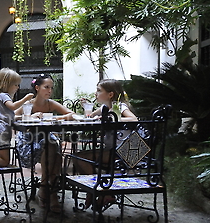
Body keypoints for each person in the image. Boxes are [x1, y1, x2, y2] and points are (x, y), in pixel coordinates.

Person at [15, 74, 74, 212]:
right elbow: (11, 116)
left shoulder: (50, 104)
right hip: (28, 140)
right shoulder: (29, 104)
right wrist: (29, 116)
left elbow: (71, 114)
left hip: (47, 138)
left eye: (51, 88)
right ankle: (49, 191)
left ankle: (46, 188)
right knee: (51, 147)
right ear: (37, 88)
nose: (50, 91)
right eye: (46, 87)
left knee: (53, 147)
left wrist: (55, 117)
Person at [74, 78, 137, 209]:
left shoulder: (119, 106)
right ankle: (96, 190)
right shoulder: (105, 107)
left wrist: (113, 118)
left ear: (110, 94)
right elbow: (91, 116)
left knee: (79, 158)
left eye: (99, 90)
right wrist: (86, 106)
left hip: (127, 152)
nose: (95, 93)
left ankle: (100, 191)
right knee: (77, 157)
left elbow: (133, 119)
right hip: (115, 150)